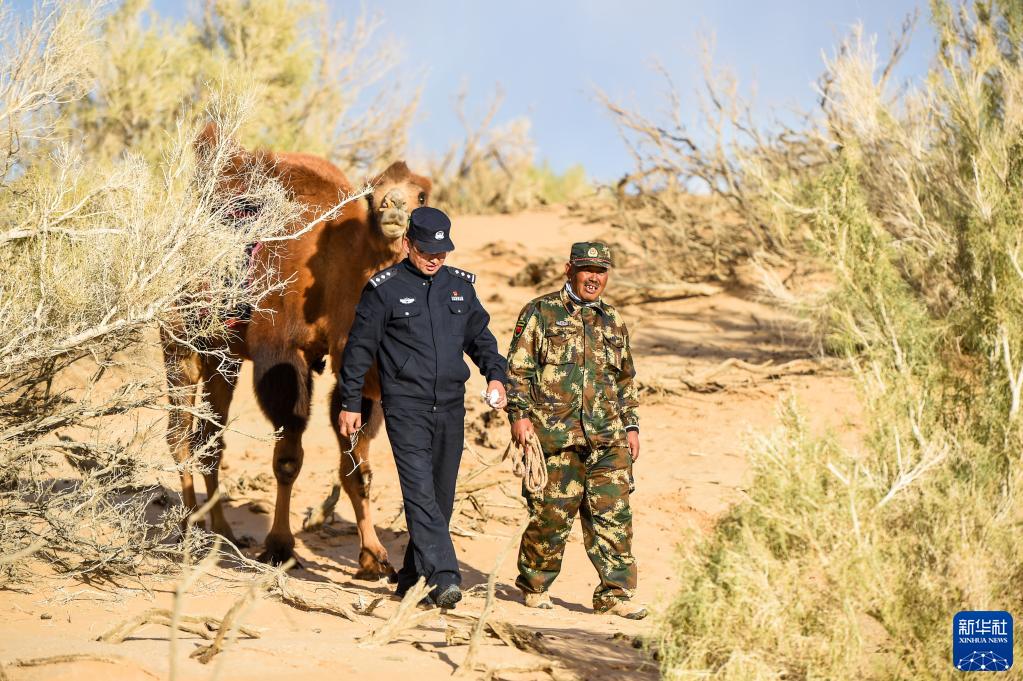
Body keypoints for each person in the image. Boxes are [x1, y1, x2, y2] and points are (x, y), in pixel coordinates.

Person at [338, 206, 508, 608]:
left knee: (441, 495)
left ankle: (412, 577)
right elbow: (359, 350)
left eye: (442, 252)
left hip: (451, 405)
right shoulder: (384, 288)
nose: (435, 259)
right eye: (427, 251)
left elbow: (479, 338)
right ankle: (445, 576)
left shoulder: (460, 287)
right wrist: (350, 402)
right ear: (406, 244)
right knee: (419, 493)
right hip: (406, 406)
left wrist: (496, 375)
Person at [504, 241, 646, 619]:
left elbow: (626, 380)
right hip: (556, 438)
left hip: (608, 438)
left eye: (601, 272)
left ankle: (615, 594)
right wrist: (518, 417)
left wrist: (631, 426)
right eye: (587, 270)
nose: (594, 278)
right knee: (551, 515)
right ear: (569, 270)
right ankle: (535, 584)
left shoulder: (613, 320)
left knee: (614, 516)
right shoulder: (541, 312)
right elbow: (518, 371)